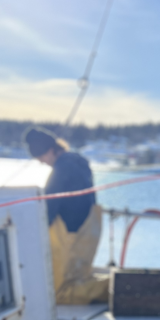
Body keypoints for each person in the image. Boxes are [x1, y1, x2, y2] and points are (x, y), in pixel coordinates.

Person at [25, 127, 108, 305]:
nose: (41, 163)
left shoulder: (61, 169)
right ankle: (112, 286)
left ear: (49, 151)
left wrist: (31, 233)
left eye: (41, 158)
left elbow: (48, 208)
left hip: (70, 235)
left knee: (59, 292)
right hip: (88, 231)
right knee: (79, 276)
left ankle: (112, 288)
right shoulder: (80, 162)